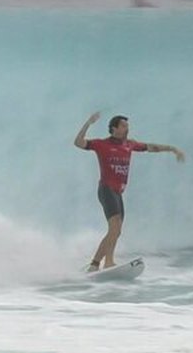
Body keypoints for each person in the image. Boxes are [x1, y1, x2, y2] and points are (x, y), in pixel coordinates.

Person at [74, 112, 185, 271]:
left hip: (118, 193)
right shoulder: (102, 144)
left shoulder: (129, 144)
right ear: (114, 128)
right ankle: (102, 263)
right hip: (106, 189)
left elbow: (151, 147)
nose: (127, 129)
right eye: (124, 126)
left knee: (116, 231)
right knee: (114, 229)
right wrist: (88, 123)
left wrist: (173, 149)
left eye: (127, 126)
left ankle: (101, 263)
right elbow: (78, 143)